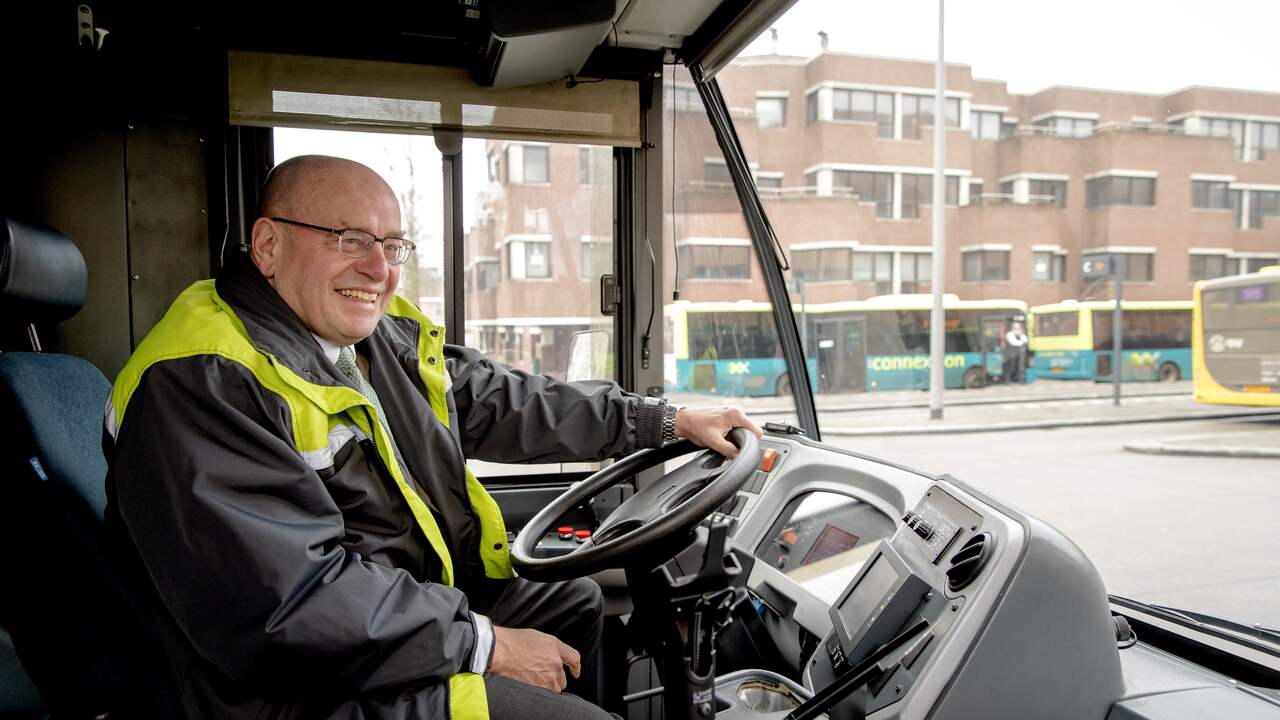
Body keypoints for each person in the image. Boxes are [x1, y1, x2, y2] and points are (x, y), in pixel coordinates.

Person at [104, 155, 761, 720]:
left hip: (375, 613)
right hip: (285, 689)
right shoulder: (204, 378)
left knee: (573, 603)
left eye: (392, 246)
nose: (379, 269)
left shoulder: (367, 337)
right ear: (269, 244)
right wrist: (487, 646)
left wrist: (659, 422)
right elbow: (289, 604)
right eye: (349, 238)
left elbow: (500, 400)